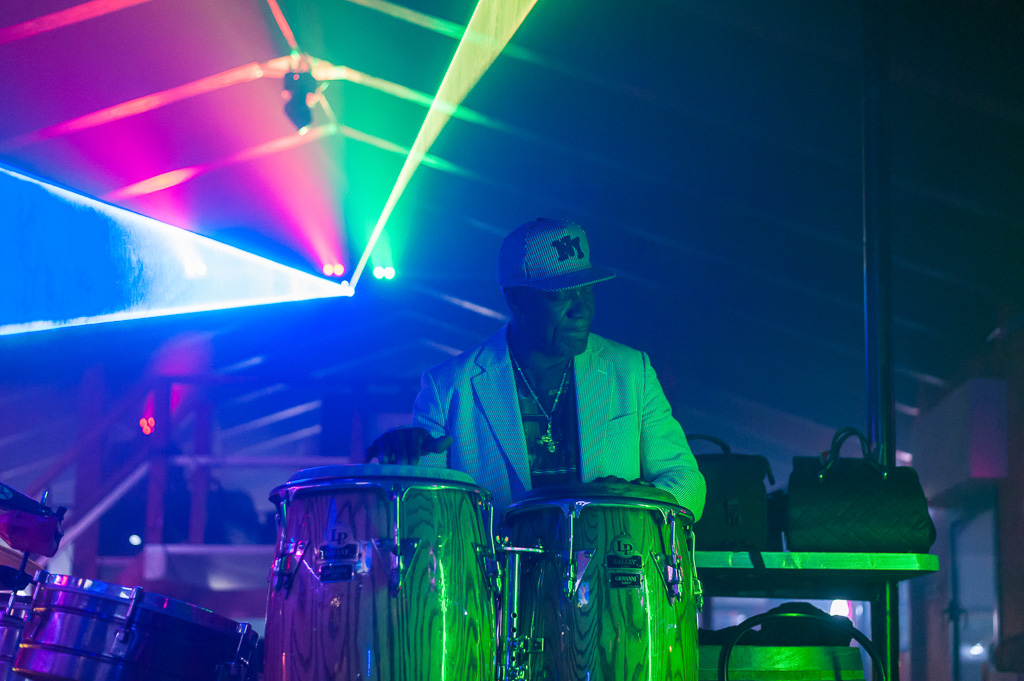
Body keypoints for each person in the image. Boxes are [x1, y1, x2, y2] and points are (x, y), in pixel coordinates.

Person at [366, 218, 705, 521]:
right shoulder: (447, 386)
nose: (581, 309)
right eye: (560, 295)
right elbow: (419, 512)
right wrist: (401, 466)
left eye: (587, 290)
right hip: (498, 574)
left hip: (606, 570)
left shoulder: (631, 371)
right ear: (515, 299)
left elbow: (688, 482)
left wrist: (627, 503)